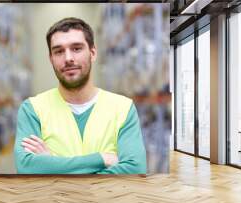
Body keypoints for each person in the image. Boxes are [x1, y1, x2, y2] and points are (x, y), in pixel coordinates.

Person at [14, 17, 146, 174]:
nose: (68, 58)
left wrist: (52, 165)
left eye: (76, 48)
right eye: (59, 51)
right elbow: (26, 167)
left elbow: (135, 169)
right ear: (51, 59)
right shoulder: (32, 109)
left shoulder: (123, 108)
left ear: (93, 53)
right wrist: (101, 159)